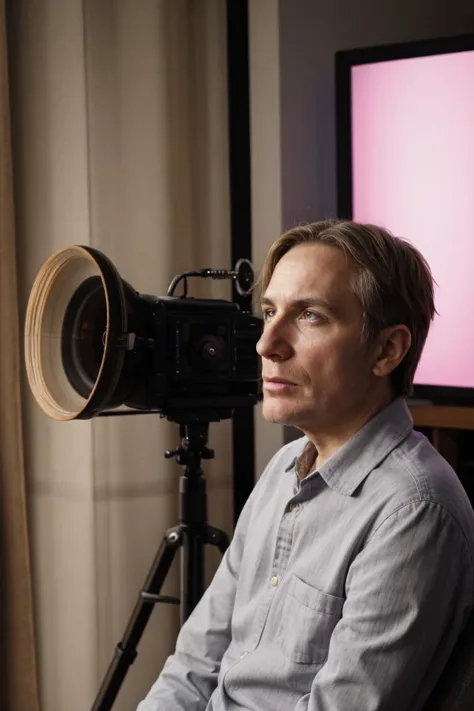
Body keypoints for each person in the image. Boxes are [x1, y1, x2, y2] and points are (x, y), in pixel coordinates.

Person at [137, 219, 474, 711]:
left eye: (310, 315)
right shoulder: (282, 469)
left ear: (387, 350)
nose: (265, 344)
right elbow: (194, 664)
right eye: (270, 311)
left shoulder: (414, 512)